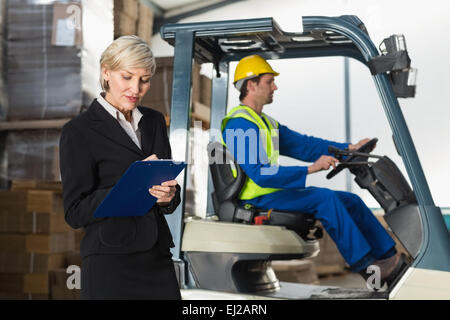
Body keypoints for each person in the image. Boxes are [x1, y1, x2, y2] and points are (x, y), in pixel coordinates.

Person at [221, 54, 406, 289]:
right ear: (251, 84)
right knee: (324, 199)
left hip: (273, 192)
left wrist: (348, 149)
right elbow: (260, 174)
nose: (275, 86)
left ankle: (389, 258)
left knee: (350, 200)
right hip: (256, 198)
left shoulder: (265, 123)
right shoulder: (240, 124)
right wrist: (310, 169)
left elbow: (305, 145)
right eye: (269, 81)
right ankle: (369, 271)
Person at [60, 36, 181, 299]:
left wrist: (168, 197)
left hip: (157, 257)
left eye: (144, 80)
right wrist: (129, 186)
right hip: (110, 262)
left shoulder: (154, 122)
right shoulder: (78, 132)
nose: (135, 88)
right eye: (127, 77)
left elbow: (169, 191)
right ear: (106, 72)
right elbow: (74, 212)